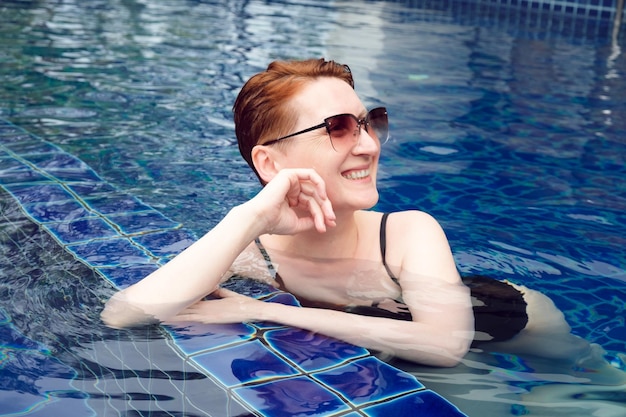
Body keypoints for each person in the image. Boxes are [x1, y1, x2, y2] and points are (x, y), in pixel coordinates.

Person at [101, 59, 624, 378]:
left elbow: (444, 343)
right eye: (340, 127)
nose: (369, 144)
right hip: (402, 338)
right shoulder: (249, 253)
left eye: (370, 123)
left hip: (510, 318)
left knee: (592, 387)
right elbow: (121, 315)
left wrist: (272, 312)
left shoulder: (407, 230)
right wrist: (251, 215)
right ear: (270, 161)